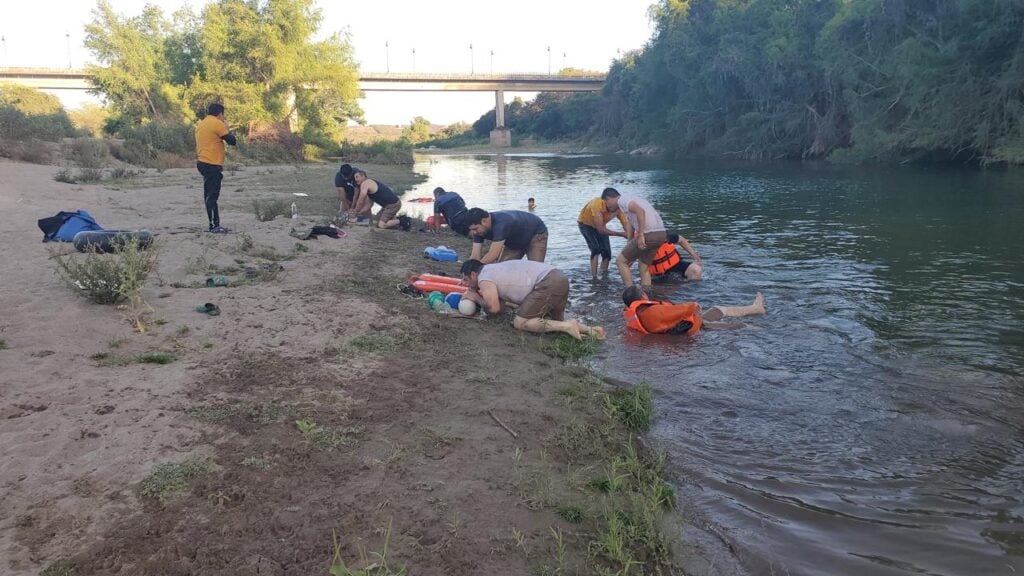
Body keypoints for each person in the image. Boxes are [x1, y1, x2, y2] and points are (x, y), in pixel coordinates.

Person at [460, 259, 604, 340]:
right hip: (559, 277)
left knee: (520, 323)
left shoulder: (484, 277)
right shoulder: (492, 269)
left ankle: (567, 327)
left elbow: (494, 309)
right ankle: (592, 331)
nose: (465, 284)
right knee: (555, 320)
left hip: (547, 282)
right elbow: (501, 307)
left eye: (466, 279)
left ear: (473, 274)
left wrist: (475, 297)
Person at [622, 286, 766, 334]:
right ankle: (764, 331)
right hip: (696, 327)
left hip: (688, 324)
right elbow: (679, 310)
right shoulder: (651, 312)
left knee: (718, 309)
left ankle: (756, 308)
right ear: (642, 296)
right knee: (740, 326)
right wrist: (694, 305)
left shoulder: (637, 315)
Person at [601, 187, 668, 288]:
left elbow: (640, 211)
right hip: (661, 234)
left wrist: (641, 235)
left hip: (648, 234)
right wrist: (629, 246)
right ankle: (647, 294)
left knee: (620, 261)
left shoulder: (622, 201)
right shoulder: (632, 199)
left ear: (609, 198)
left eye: (606, 202)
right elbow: (631, 224)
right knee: (643, 267)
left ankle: (631, 292)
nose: (607, 206)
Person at [194, 103, 237, 233]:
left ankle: (213, 223)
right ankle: (214, 226)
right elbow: (232, 141)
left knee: (208, 194)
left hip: (202, 162)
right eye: (223, 115)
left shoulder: (201, 124)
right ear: (220, 114)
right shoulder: (217, 123)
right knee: (212, 196)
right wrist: (226, 127)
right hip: (212, 164)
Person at [466, 208, 548, 263]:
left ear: (484, 221)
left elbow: (493, 254)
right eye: (472, 229)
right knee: (502, 268)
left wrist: (477, 268)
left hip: (536, 234)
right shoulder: (479, 230)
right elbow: (475, 255)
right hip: (513, 241)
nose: (474, 232)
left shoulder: (501, 224)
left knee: (536, 269)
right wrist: (470, 270)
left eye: (475, 229)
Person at [577, 196, 631, 280]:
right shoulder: (597, 205)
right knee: (596, 249)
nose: (616, 209)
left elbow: (626, 225)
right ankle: (594, 277)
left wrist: (630, 236)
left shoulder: (618, 208)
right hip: (585, 224)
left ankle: (604, 275)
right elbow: (601, 230)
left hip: (600, 224)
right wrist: (621, 234)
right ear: (607, 201)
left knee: (607, 253)